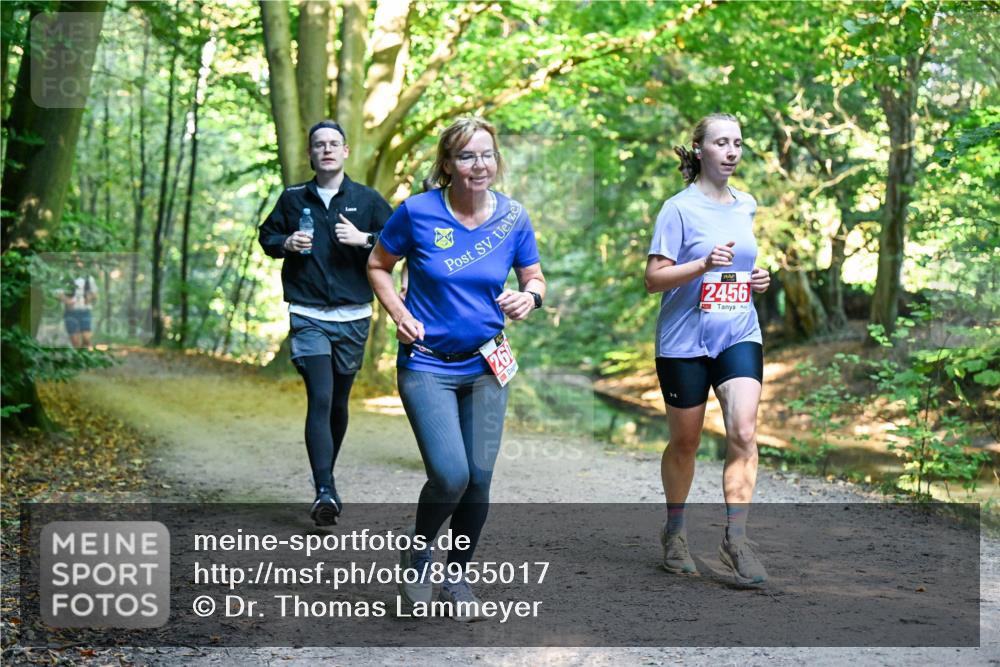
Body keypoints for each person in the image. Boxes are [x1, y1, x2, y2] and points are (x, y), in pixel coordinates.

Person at [367, 117, 545, 618]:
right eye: (467, 156)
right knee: (450, 474)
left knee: (480, 479)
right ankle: (419, 551)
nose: (479, 165)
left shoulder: (513, 218)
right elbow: (378, 265)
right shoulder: (417, 213)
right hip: (427, 364)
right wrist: (399, 314)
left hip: (487, 364)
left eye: (487, 154)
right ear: (447, 165)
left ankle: (456, 575)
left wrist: (529, 297)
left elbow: (534, 276)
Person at [644, 113, 772, 587]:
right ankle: (675, 533)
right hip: (684, 342)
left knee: (742, 431)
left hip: (738, 330)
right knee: (686, 442)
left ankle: (735, 540)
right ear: (700, 150)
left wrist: (759, 279)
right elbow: (653, 279)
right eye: (722, 143)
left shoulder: (747, 204)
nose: (733, 151)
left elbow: (740, 269)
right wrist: (701, 264)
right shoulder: (677, 209)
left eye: (738, 142)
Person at [259, 120, 392, 526]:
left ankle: (325, 480)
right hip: (308, 313)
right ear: (311, 154)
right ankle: (325, 489)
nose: (327, 150)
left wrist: (365, 239)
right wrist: (286, 244)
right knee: (319, 396)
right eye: (319, 144)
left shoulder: (367, 199)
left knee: (337, 402)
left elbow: (398, 243)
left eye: (334, 143)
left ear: (346, 151)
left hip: (353, 315)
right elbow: (266, 237)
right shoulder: (293, 198)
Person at [60, 262, 98, 350]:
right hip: (70, 311)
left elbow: (95, 294)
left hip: (84, 311)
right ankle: (79, 358)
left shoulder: (89, 279)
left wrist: (90, 297)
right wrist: (66, 300)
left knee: (86, 338)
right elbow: (58, 293)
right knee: (75, 341)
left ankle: (86, 355)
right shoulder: (64, 278)